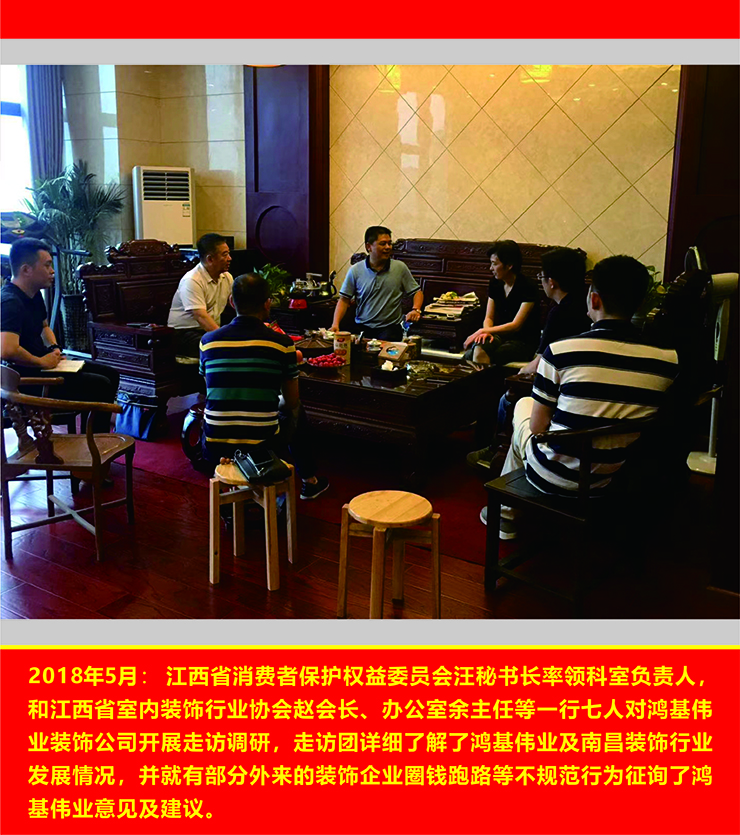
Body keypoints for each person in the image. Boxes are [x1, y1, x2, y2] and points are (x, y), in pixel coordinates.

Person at [480, 255, 680, 538]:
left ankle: (505, 514)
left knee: (523, 407)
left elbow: (538, 429)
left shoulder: (561, 352)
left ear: (594, 299)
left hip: (555, 475)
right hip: (615, 477)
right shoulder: (667, 360)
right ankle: (509, 510)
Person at [200, 272, 329, 500]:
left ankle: (233, 497)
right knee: (296, 410)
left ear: (231, 302)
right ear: (267, 303)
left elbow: (212, 390)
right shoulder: (281, 344)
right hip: (263, 442)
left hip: (213, 442)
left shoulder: (208, 342)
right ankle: (309, 481)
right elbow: (290, 401)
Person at [468, 246, 590, 469]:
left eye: (542, 275)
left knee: (506, 399)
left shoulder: (559, 312)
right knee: (476, 352)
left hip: (556, 381)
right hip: (575, 382)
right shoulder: (584, 304)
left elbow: (539, 360)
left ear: (551, 282)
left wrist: (520, 373)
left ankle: (496, 450)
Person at [1, 237, 118, 433]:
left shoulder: (33, 294)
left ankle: (95, 438)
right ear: (26, 270)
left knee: (111, 374)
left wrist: (54, 348)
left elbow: (44, 327)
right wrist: (41, 362)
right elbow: (7, 349)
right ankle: (95, 442)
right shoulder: (10, 301)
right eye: (47, 265)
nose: (52, 271)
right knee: (101, 385)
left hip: (42, 368)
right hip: (27, 381)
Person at [330, 226, 424, 341]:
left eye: (389, 243)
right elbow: (344, 300)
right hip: (362, 328)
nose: (388, 247)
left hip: (390, 329)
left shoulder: (400, 267)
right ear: (368, 246)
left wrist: (416, 309)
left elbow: (417, 292)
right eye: (383, 244)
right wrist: (335, 324)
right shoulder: (355, 270)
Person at [463, 239, 540, 365]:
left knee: (489, 354)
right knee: (475, 351)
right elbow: (489, 317)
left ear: (509, 265)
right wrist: (486, 332)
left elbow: (516, 325)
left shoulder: (528, 286)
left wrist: (483, 331)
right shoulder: (495, 283)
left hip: (523, 341)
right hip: (500, 336)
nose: (491, 268)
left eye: (494, 264)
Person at [167, 233, 233, 357]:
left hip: (208, 331)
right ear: (210, 259)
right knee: (222, 348)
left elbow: (235, 303)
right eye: (225, 255)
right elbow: (201, 317)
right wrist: (224, 339)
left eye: (228, 254)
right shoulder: (192, 280)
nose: (230, 258)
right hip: (184, 334)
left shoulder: (227, 277)